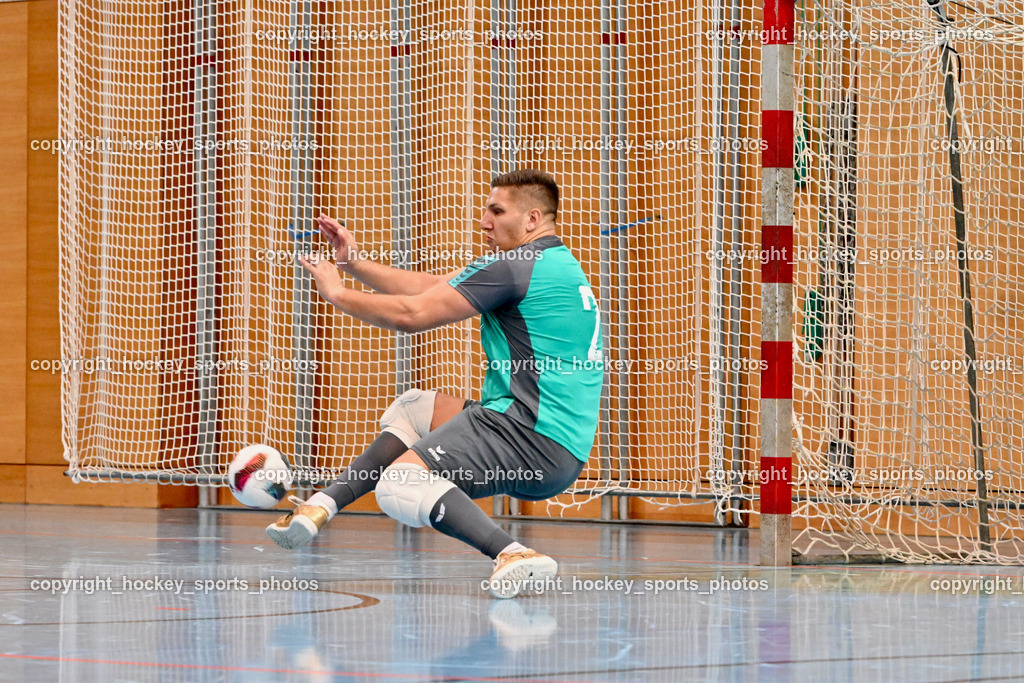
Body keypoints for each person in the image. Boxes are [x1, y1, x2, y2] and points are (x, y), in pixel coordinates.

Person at [266, 169, 603, 599]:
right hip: (552, 444)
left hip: (527, 436)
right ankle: (320, 506)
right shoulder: (551, 262)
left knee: (399, 485)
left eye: (497, 211)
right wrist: (354, 265)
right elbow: (431, 288)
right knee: (414, 408)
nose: (484, 221)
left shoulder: (517, 267)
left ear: (532, 219)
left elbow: (412, 314)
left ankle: (512, 553)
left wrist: (337, 293)